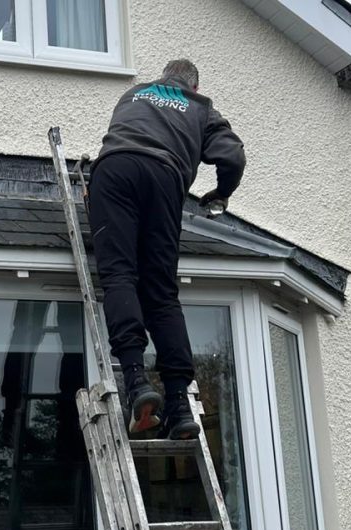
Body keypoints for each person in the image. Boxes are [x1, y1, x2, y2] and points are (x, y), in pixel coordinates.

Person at [88, 59, 246, 439]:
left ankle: (137, 380)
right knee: (160, 292)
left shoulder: (133, 94)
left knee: (120, 274)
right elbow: (232, 156)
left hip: (114, 170)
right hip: (163, 176)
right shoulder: (200, 106)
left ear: (164, 78)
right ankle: (178, 404)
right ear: (192, 86)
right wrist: (222, 192)